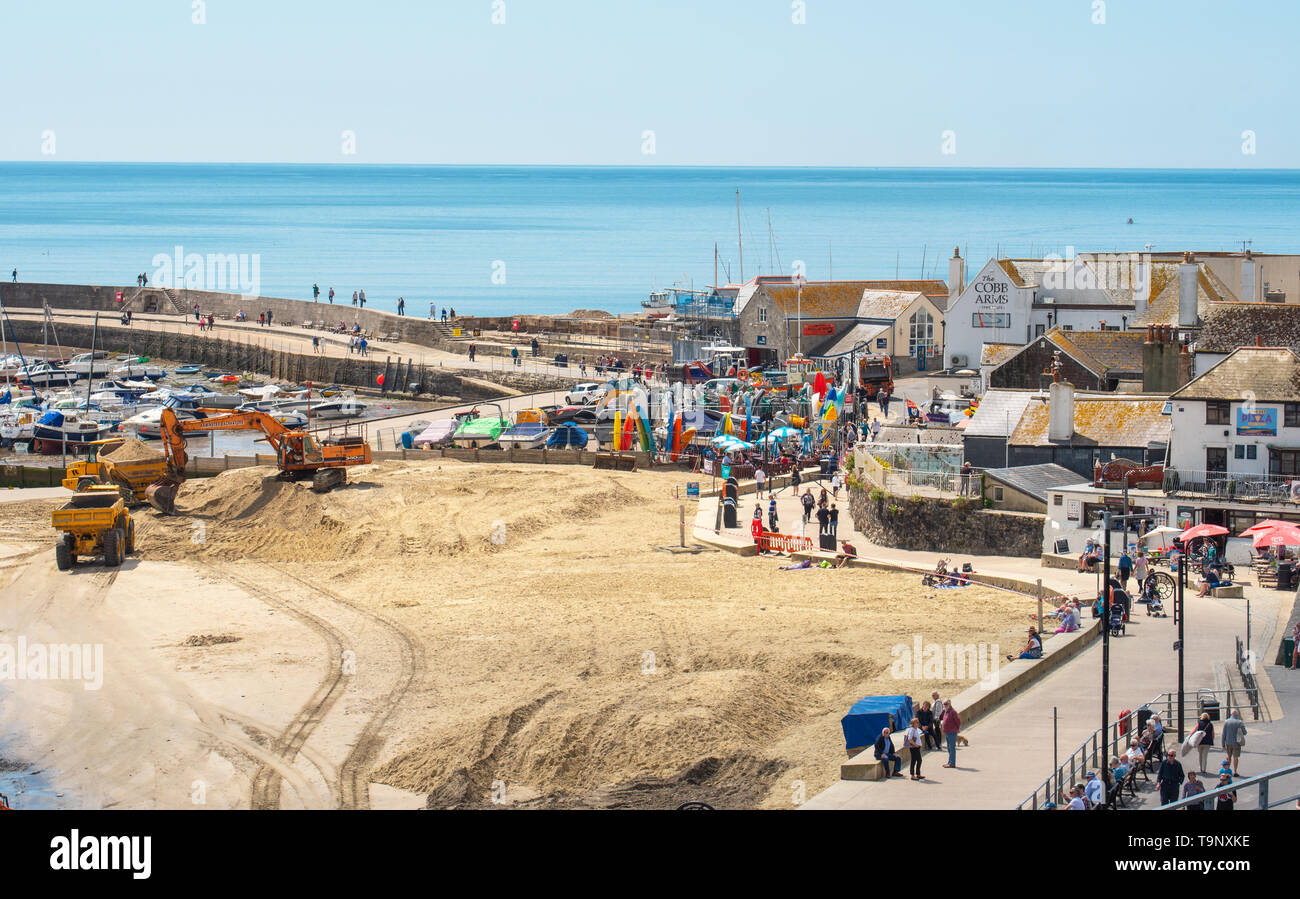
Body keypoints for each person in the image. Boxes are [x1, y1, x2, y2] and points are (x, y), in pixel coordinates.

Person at [1221, 709, 1246, 776]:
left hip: (1228, 742)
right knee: (1235, 757)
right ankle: (1235, 771)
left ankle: (1227, 770)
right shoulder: (1239, 722)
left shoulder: (1226, 722)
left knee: (1229, 757)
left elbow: (1223, 734)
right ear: (1237, 715)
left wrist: (1223, 744)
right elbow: (1245, 732)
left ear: (1231, 714)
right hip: (1236, 743)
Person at [940, 700, 961, 768]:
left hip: (952, 732)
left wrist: (956, 728)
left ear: (949, 704)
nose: (945, 706)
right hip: (947, 732)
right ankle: (950, 762)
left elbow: (958, 721)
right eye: (944, 704)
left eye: (946, 704)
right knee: (949, 748)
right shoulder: (946, 711)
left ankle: (952, 763)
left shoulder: (953, 712)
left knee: (952, 748)